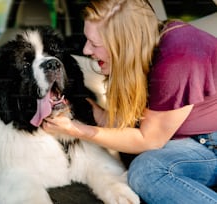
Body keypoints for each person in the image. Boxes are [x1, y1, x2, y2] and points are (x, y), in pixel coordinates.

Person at [42, 0, 217, 203]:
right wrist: (78, 105)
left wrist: (74, 129)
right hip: (190, 140)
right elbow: (126, 125)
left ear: (123, 43)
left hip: (209, 142)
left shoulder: (179, 58)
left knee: (148, 172)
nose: (86, 50)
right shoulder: (151, 45)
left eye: (95, 44)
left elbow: (149, 140)